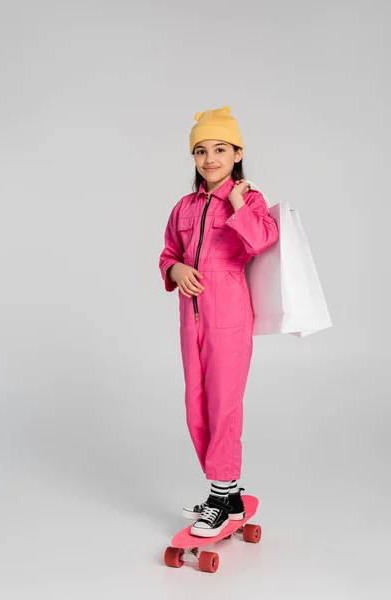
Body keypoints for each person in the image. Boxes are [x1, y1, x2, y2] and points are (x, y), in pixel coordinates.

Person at [159, 106, 279, 538]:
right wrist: (174, 271)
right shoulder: (184, 206)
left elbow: (263, 239)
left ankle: (220, 495)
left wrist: (235, 201)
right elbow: (169, 253)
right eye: (201, 151)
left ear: (237, 152)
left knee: (223, 402)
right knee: (196, 402)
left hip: (228, 313)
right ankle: (225, 494)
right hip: (190, 317)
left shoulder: (250, 200)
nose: (210, 159)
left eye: (220, 149)